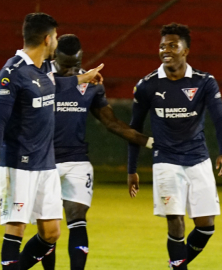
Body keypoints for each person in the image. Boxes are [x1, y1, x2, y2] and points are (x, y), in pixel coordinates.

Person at [0, 13, 104, 270]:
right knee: (17, 227)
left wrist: (83, 78)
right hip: (18, 164)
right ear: (47, 39)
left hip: (46, 164)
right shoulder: (12, 73)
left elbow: (54, 84)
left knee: (51, 233)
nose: (57, 41)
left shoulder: (44, 69)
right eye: (56, 37)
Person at [36, 34, 153, 270]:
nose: (69, 71)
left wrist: (151, 142)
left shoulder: (90, 85)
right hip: (44, 162)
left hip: (77, 161)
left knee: (77, 219)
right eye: (64, 65)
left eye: (73, 66)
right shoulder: (38, 76)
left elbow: (111, 123)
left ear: (80, 58)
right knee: (49, 229)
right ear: (54, 55)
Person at [127, 23, 222, 270]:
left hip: (198, 159)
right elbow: (134, 129)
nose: (166, 50)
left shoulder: (204, 82)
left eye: (173, 45)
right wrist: (132, 169)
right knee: (176, 221)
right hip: (166, 161)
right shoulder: (147, 85)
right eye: (163, 45)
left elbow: (219, 119)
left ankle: (176, 264)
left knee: (206, 227)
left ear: (186, 50)